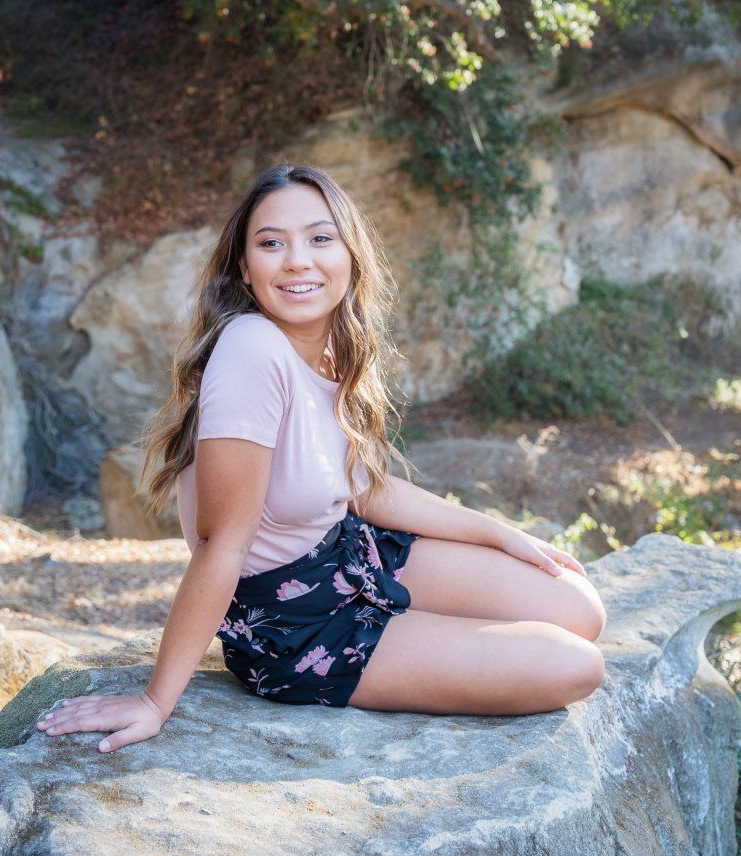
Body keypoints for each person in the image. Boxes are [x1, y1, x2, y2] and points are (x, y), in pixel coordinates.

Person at [34, 163, 606, 753]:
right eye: (271, 244)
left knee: (577, 606)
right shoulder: (252, 349)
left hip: (353, 552)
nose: (297, 260)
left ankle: (429, 628)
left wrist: (499, 534)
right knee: (575, 666)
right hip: (298, 626)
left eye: (319, 238)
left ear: (351, 254)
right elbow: (220, 545)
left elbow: (363, 488)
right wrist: (155, 701)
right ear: (244, 267)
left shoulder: (333, 345)